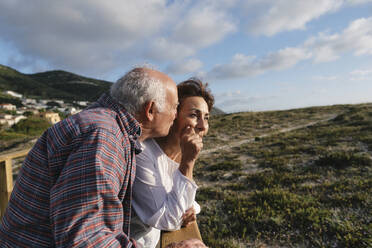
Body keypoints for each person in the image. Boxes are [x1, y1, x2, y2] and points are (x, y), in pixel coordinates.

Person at [0, 67, 205, 248]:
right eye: (174, 107)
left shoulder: (107, 126)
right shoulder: (104, 137)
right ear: (150, 110)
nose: (174, 115)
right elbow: (85, 239)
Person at [130, 78, 214, 248]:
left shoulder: (183, 150)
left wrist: (193, 209)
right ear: (173, 115)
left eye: (206, 118)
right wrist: (188, 163)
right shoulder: (143, 153)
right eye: (193, 115)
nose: (202, 126)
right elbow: (168, 219)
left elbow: (186, 202)